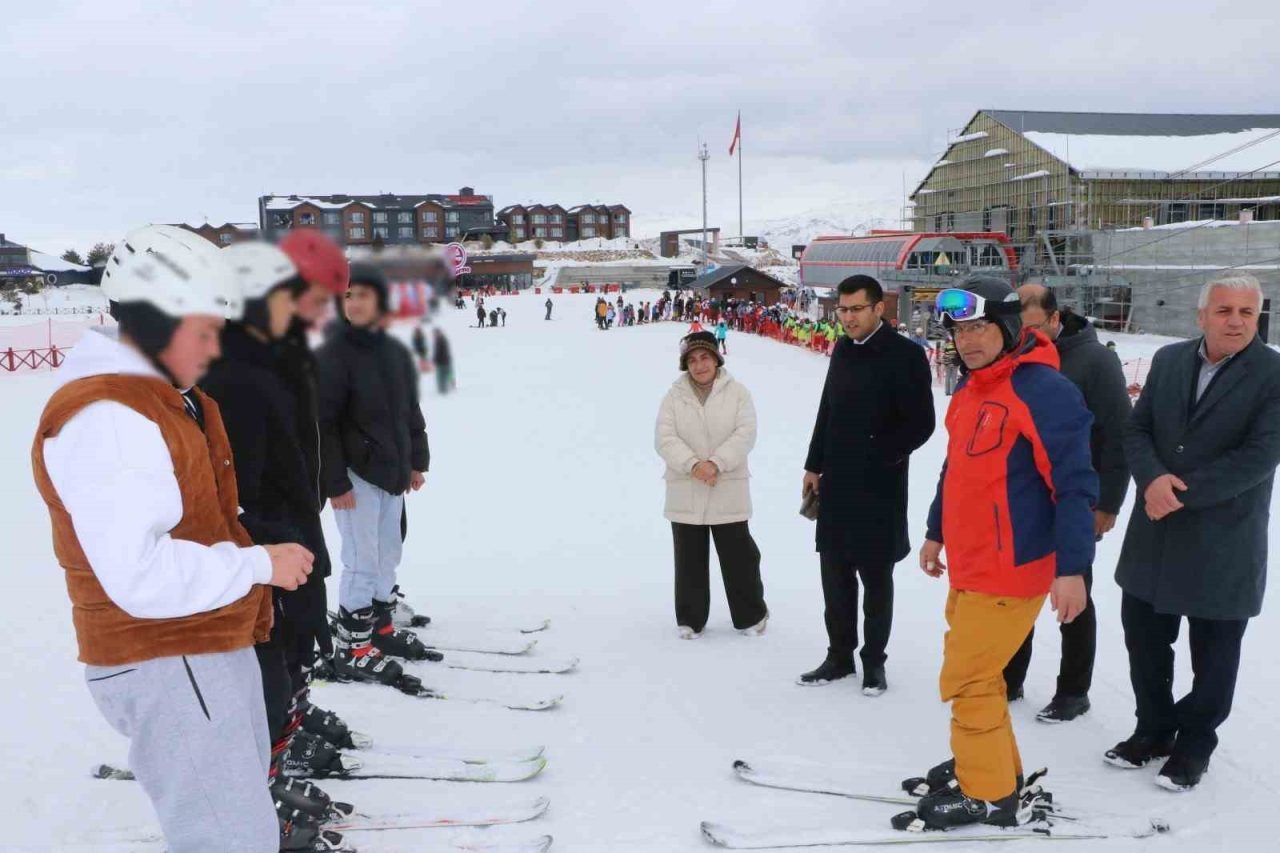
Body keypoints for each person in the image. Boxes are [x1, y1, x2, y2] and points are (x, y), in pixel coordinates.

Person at [32, 226, 312, 852]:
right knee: (226, 838)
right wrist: (257, 563)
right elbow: (139, 575)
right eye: (204, 331)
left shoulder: (170, 400)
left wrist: (257, 542)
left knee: (239, 828)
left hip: (201, 647)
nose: (215, 350)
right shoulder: (110, 417)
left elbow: (193, 514)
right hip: (168, 657)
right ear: (158, 322)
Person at [914, 275, 1096, 830]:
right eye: (959, 330)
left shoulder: (1043, 391)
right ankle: (986, 763)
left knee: (968, 678)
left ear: (1010, 326)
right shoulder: (972, 389)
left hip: (1011, 570)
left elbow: (1076, 487)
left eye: (979, 327)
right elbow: (957, 470)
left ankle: (989, 795)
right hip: (969, 563)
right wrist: (935, 530)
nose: (966, 340)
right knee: (983, 676)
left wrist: (1072, 570)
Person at [201, 242, 360, 845]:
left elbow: (297, 454)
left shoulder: (286, 354)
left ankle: (278, 744)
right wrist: (278, 558)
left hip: (293, 537)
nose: (326, 313)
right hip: (263, 552)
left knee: (291, 658)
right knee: (266, 671)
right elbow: (238, 487)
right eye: (316, 299)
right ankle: (253, 793)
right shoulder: (235, 368)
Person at [1106, 274, 1280, 791]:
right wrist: (1152, 478)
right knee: (1145, 640)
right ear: (1201, 315)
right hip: (1154, 536)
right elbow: (1136, 429)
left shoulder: (1273, 373)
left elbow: (1260, 455)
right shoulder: (1170, 360)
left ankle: (1195, 743)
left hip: (1221, 538)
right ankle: (1153, 730)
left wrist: (1175, 492)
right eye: (1224, 310)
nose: (1235, 320)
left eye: (1247, 313)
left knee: (1214, 654)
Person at [1002, 285, 1132, 722]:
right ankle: (1010, 677)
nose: (1025, 335)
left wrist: (1108, 502)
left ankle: (1074, 690)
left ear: (1056, 320)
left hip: (1075, 500)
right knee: (1017, 591)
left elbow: (1117, 434)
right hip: (1024, 502)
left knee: (1073, 594)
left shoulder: (1095, 361)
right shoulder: (1015, 355)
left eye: (1034, 327)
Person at [800, 275, 935, 693]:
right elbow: (827, 410)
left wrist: (880, 453)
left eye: (856, 309)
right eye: (842, 310)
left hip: (880, 488)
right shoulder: (842, 349)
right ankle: (839, 656)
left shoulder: (906, 355)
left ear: (880, 309)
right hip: (837, 483)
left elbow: (922, 423)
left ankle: (873, 662)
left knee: (876, 581)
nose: (848, 318)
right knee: (835, 578)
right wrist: (813, 464)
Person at [317, 263, 433, 685]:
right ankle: (353, 645)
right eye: (349, 296)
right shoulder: (333, 355)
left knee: (388, 555)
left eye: (364, 294)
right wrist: (335, 482)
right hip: (356, 477)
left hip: (393, 475)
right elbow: (322, 424)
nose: (356, 302)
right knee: (361, 561)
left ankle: (380, 631)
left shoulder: (394, 353)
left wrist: (416, 461)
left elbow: (411, 413)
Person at [655, 330, 768, 639]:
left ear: (717, 358)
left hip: (726, 483)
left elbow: (745, 433)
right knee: (689, 558)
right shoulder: (674, 396)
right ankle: (690, 618)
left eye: (705, 357)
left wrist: (716, 463)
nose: (699, 365)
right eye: (692, 360)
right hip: (686, 486)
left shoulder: (737, 393)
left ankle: (751, 615)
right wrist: (693, 464)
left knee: (738, 556)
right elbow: (664, 438)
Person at [432, 327, 455, 395]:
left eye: (436, 334)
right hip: (443, 361)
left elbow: (441, 352)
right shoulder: (439, 340)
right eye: (434, 334)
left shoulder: (441, 340)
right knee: (445, 374)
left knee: (444, 375)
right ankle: (445, 387)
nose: (435, 335)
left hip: (443, 361)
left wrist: (436, 359)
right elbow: (437, 352)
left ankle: (444, 389)